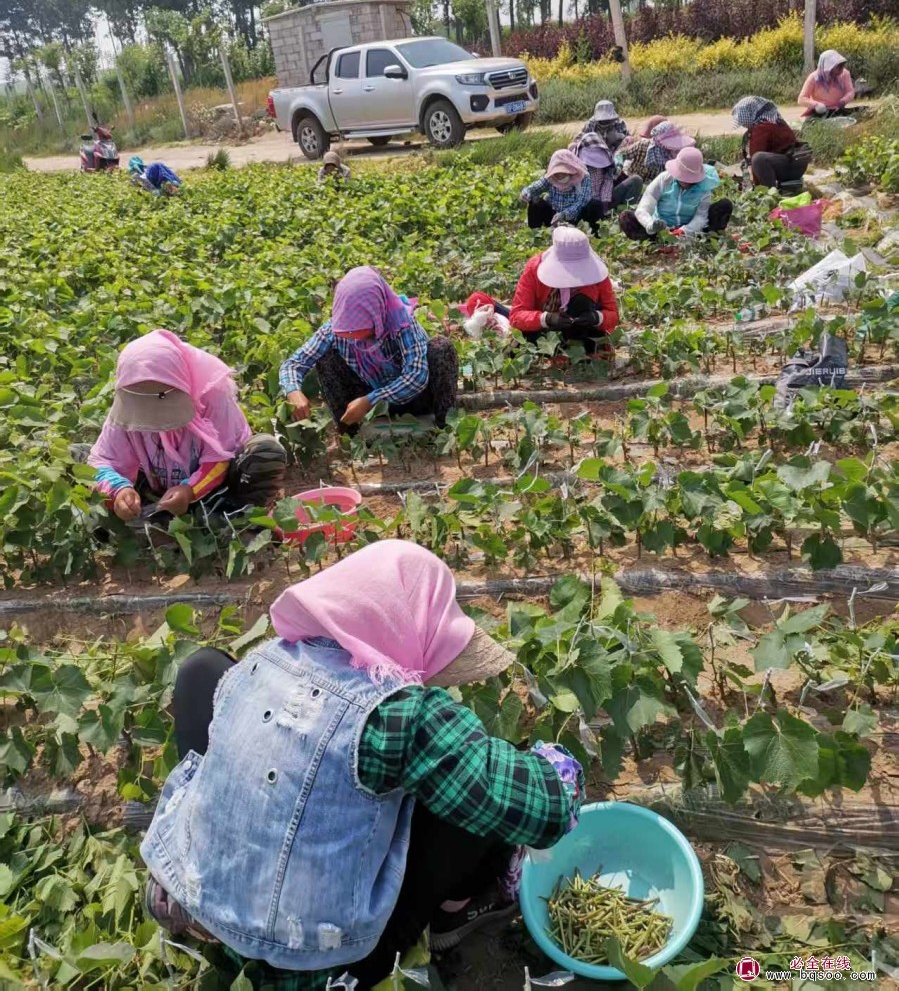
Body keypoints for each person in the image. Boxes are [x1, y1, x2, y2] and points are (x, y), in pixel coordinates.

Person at [141, 541, 585, 990]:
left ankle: (189, 906)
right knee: (472, 791)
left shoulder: (257, 665)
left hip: (195, 899)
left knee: (202, 670)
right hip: (315, 962)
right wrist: (558, 766)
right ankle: (454, 913)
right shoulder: (400, 717)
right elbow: (545, 810)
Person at [88, 330, 286, 520]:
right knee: (80, 460)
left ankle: (239, 516)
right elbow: (104, 460)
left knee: (265, 450)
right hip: (157, 489)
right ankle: (151, 517)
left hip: (218, 488)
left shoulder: (212, 397)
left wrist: (190, 490)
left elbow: (221, 456)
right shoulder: (127, 406)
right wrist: (120, 491)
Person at [281, 266, 458, 432]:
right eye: (350, 333)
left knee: (441, 348)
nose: (355, 338)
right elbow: (294, 364)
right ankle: (350, 433)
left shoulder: (402, 323)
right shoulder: (336, 329)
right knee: (327, 357)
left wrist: (370, 401)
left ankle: (443, 428)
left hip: (416, 399)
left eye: (362, 331)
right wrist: (293, 392)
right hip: (368, 404)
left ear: (376, 312)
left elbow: (416, 376)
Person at [509, 225, 619, 355]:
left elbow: (613, 314)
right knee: (519, 347)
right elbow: (516, 316)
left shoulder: (597, 271)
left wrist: (597, 317)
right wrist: (547, 318)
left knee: (581, 302)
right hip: (546, 334)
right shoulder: (534, 268)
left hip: (584, 333)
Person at [619, 146, 732, 242]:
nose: (686, 181)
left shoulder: (704, 187)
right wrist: (650, 224)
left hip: (690, 230)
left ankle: (704, 241)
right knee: (626, 217)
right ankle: (655, 241)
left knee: (725, 205)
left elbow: (701, 216)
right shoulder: (664, 179)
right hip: (660, 230)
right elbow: (643, 208)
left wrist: (685, 230)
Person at [732, 96, 810, 191]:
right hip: (797, 163)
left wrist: (756, 188)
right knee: (757, 159)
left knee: (758, 159)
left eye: (743, 122)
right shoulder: (775, 120)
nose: (743, 125)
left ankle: (770, 191)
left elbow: (755, 158)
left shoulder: (763, 127)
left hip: (791, 166)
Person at [519, 148, 603, 234]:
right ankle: (536, 234)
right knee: (535, 202)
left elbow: (581, 202)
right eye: (557, 173)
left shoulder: (583, 177)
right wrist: (526, 192)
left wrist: (564, 214)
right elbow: (536, 187)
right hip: (554, 217)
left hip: (576, 217)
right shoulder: (551, 177)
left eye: (563, 171)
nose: (560, 176)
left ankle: (593, 234)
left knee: (595, 205)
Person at [570, 132, 642, 217]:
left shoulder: (606, 166)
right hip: (583, 206)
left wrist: (604, 206)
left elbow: (607, 185)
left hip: (604, 201)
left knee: (636, 180)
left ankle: (625, 213)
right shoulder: (574, 165)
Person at [616, 119, 695, 186]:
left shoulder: (672, 153)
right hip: (633, 181)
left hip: (655, 185)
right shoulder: (643, 145)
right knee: (636, 180)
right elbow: (621, 154)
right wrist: (618, 166)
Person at [798, 50, 856, 118]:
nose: (841, 69)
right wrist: (816, 105)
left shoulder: (845, 74)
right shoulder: (814, 78)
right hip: (819, 111)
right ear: (828, 67)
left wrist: (844, 101)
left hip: (837, 110)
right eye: (839, 66)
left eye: (842, 66)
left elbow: (850, 91)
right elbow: (801, 99)